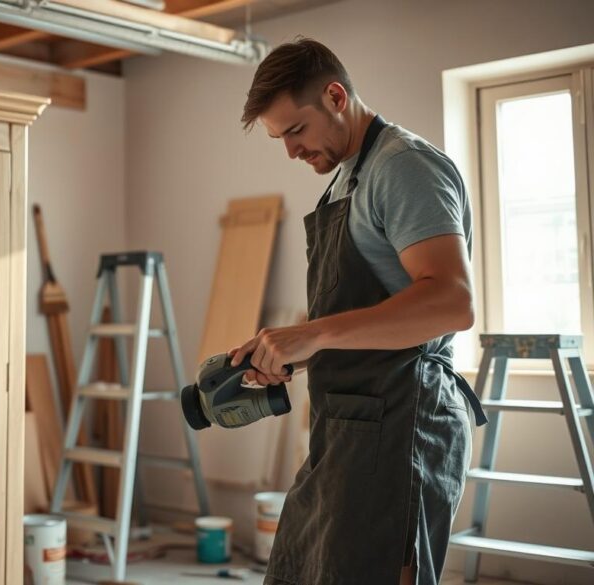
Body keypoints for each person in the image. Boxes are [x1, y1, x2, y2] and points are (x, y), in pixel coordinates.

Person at [228, 38, 488, 585]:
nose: (291, 152)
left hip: (402, 427)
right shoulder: (345, 180)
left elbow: (452, 301)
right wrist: (292, 351)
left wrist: (315, 333)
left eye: (296, 130)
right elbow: (365, 314)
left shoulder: (404, 167)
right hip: (346, 428)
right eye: (280, 139)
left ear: (336, 96)